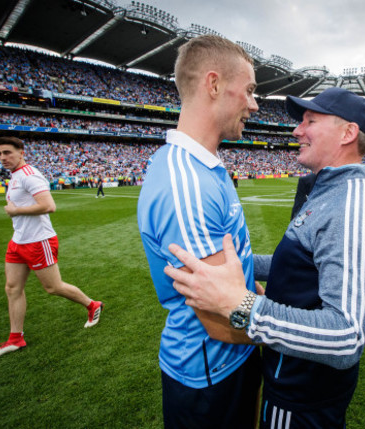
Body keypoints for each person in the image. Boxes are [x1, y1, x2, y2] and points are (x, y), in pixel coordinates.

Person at [165, 87, 365, 428]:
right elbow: (302, 265)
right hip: (289, 382)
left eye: (310, 121)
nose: (297, 130)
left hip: (302, 396)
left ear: (348, 133)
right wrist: (235, 266)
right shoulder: (327, 190)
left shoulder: (351, 206)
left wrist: (239, 305)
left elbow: (347, 336)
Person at [136, 35, 261, 428]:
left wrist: (256, 295)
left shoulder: (205, 166)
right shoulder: (186, 185)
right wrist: (290, 332)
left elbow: (232, 268)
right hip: (210, 371)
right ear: (213, 84)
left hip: (232, 358)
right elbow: (218, 316)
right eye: (251, 90)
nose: (255, 104)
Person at [0, 137, 103, 360]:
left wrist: (16, 211)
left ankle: (92, 304)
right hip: (18, 241)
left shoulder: (30, 175)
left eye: (7, 152)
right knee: (12, 288)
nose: (2, 158)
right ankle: (15, 338)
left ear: (21, 152)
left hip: (39, 241)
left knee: (53, 287)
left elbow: (49, 206)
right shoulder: (15, 176)